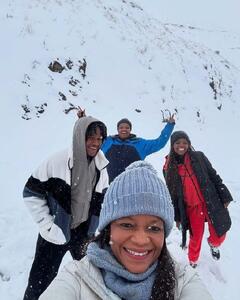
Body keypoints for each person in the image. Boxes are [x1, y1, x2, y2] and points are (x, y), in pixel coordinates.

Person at [39, 161, 213, 300]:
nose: (141, 240)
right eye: (127, 225)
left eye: (153, 228)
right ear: (108, 229)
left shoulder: (183, 280)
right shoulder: (77, 279)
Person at [22, 116, 109, 300]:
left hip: (83, 235)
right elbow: (30, 192)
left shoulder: (101, 166)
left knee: (91, 279)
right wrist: (48, 226)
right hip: (56, 232)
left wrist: (95, 230)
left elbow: (101, 201)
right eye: (91, 137)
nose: (96, 143)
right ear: (80, 137)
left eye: (99, 138)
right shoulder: (58, 161)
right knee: (39, 284)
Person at [163, 131, 232, 268]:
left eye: (184, 142)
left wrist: (224, 195)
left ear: (189, 144)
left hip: (210, 200)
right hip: (192, 207)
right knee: (196, 237)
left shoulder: (199, 157)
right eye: (177, 143)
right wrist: (177, 217)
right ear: (172, 145)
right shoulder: (169, 167)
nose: (181, 145)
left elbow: (213, 176)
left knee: (220, 232)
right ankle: (193, 261)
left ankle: (213, 244)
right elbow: (172, 194)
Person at [101, 116, 175, 182]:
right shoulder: (108, 141)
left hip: (132, 185)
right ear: (117, 129)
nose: (124, 129)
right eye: (121, 127)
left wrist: (169, 126)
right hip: (107, 185)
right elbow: (92, 141)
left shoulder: (139, 144)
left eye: (127, 127)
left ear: (130, 129)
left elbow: (159, 143)